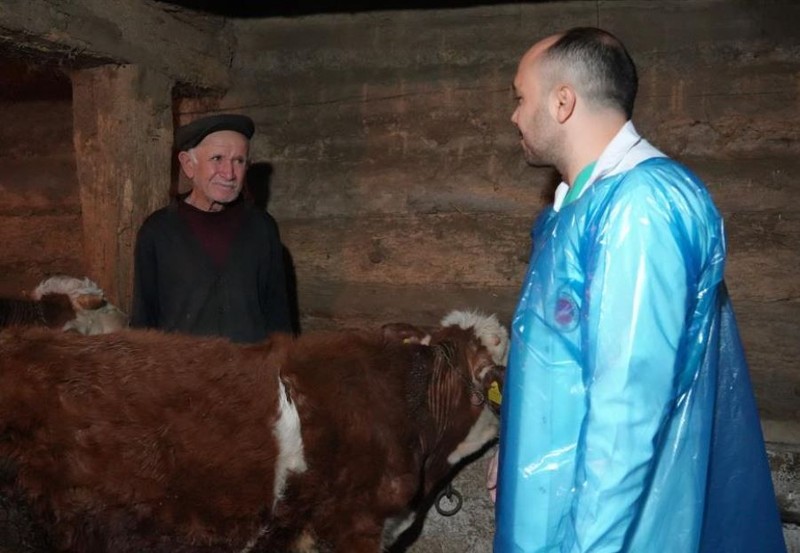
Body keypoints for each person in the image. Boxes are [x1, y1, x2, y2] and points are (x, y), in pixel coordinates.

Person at [488, 27, 786, 552]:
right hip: (551, 500)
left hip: (605, 530)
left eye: (520, 97)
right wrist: (515, 448)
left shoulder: (641, 208)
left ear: (562, 102)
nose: (514, 114)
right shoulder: (575, 208)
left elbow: (628, 409)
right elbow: (559, 359)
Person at [130, 113, 293, 343]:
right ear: (188, 165)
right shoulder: (157, 232)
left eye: (239, 161)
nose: (229, 174)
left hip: (249, 373)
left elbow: (279, 318)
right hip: (183, 373)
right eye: (217, 158)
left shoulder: (262, 228)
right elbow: (143, 321)